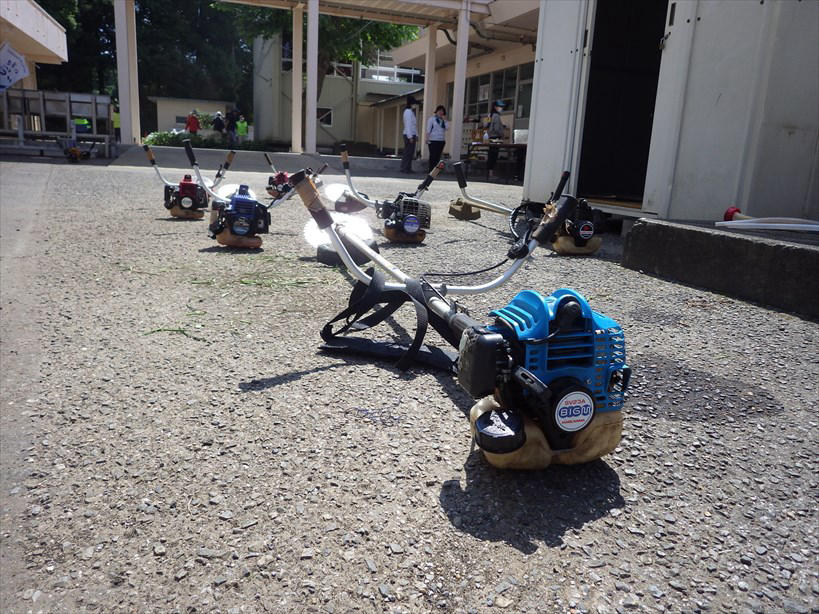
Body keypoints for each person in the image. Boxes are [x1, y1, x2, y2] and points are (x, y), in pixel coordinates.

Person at [486, 100, 506, 179]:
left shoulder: (489, 115)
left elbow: (487, 125)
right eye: (500, 107)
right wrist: (502, 134)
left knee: (490, 155)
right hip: (496, 138)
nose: (501, 108)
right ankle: (491, 174)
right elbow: (497, 128)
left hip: (490, 137)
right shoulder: (497, 116)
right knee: (494, 156)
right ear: (495, 107)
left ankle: (489, 173)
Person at [425, 105, 447, 173]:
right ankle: (431, 171)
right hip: (433, 140)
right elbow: (428, 129)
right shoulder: (432, 119)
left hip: (441, 140)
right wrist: (427, 138)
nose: (440, 112)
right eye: (439, 110)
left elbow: (446, 128)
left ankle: (436, 171)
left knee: (438, 157)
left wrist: (444, 120)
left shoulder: (443, 120)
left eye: (442, 111)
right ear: (436, 111)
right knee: (433, 156)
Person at [401, 96, 418, 174]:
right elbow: (408, 125)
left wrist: (416, 135)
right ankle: (405, 168)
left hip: (412, 134)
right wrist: (410, 137)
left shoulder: (411, 112)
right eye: (414, 104)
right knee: (408, 153)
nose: (415, 105)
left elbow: (414, 125)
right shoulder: (408, 112)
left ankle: (408, 168)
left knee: (410, 153)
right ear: (411, 104)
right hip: (408, 135)